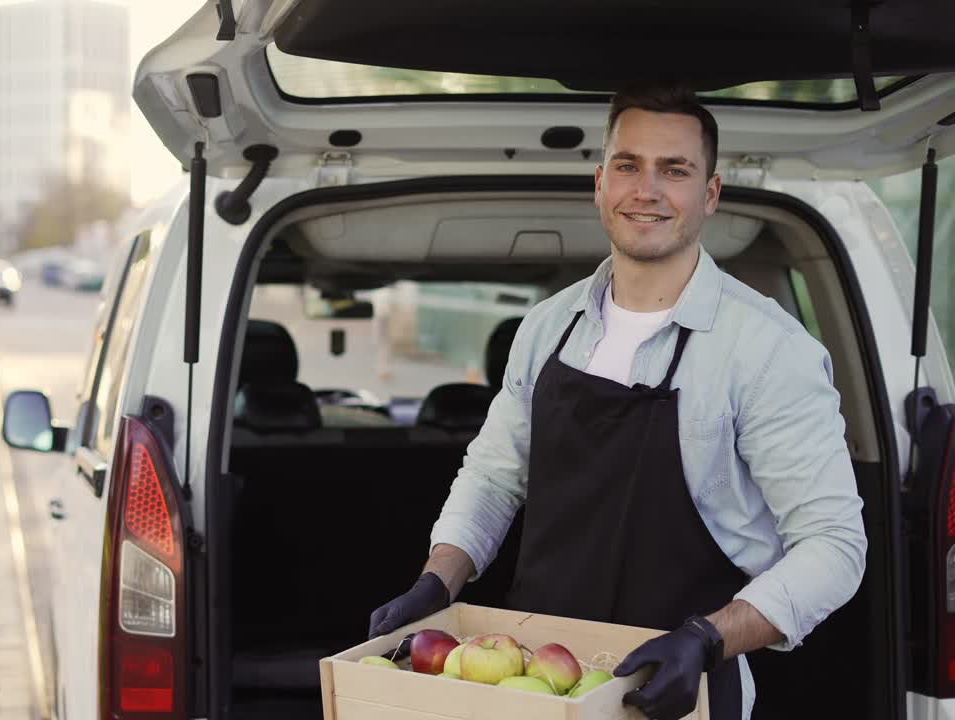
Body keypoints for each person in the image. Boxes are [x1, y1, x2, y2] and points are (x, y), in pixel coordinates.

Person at [367, 82, 867, 720]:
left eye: (675, 170)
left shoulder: (768, 352)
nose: (647, 189)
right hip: (535, 684)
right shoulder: (548, 328)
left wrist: (706, 639)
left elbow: (834, 544)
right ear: (601, 183)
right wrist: (439, 579)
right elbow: (493, 477)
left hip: (681, 692)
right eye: (629, 166)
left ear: (709, 194)